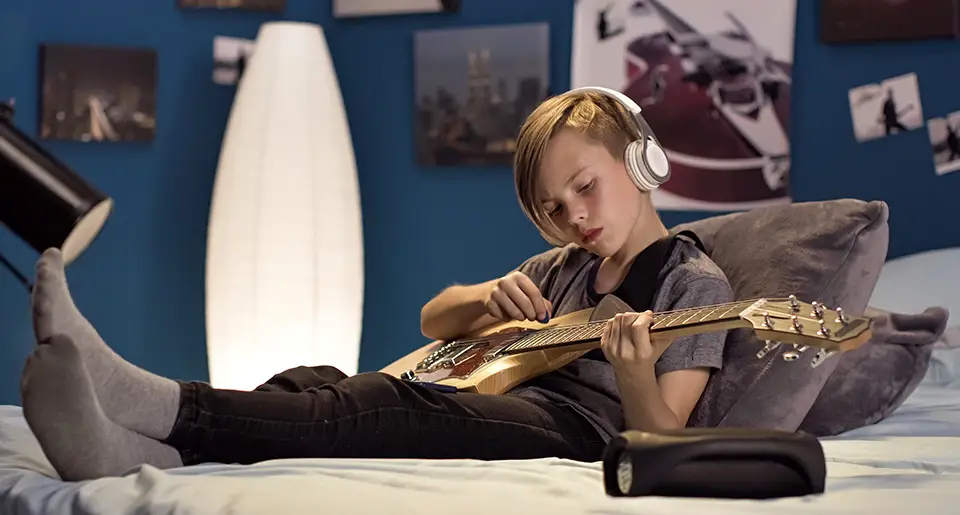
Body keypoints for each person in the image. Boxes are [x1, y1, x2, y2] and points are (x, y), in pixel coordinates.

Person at [19, 88, 734, 483]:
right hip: (501, 390)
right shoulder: (566, 268)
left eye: (585, 186)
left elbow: (662, 439)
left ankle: (148, 398)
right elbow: (434, 319)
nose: (573, 215)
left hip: (577, 430)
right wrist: (488, 297)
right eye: (553, 207)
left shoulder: (691, 283)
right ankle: (141, 456)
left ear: (641, 162)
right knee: (313, 376)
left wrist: (634, 371)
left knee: (377, 402)